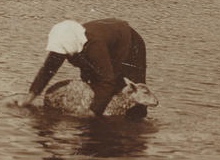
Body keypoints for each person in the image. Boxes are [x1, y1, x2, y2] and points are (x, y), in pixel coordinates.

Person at [17, 18, 148, 118]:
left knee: (131, 94)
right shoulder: (67, 39)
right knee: (97, 89)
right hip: (107, 41)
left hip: (130, 44)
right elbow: (48, 69)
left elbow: (107, 81)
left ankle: (135, 137)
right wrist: (30, 96)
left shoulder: (94, 47)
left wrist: (91, 112)